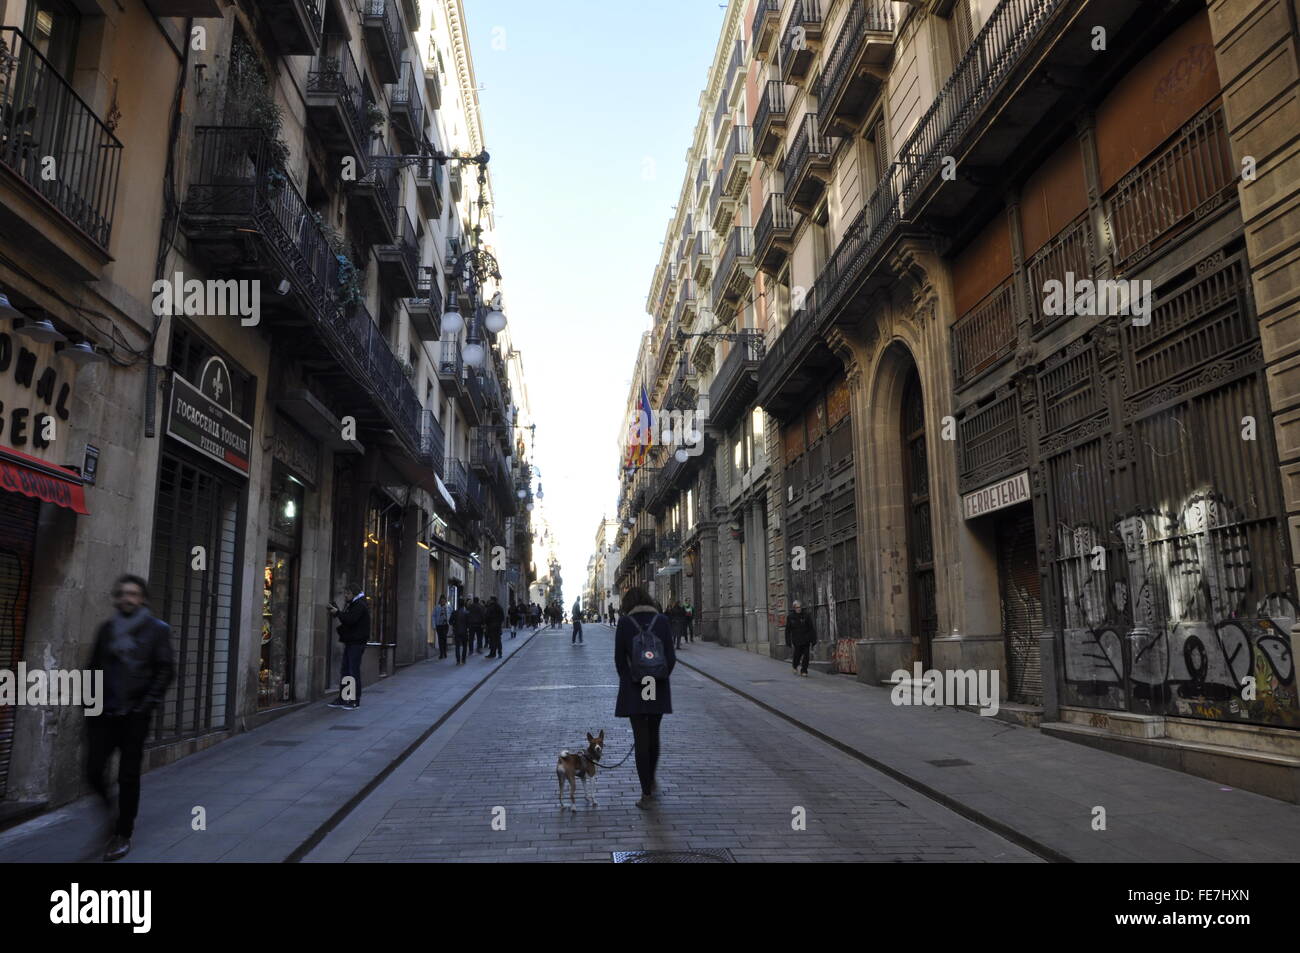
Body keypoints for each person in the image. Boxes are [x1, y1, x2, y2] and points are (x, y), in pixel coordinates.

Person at [86, 574, 175, 862]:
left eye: (134, 594)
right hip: (104, 714)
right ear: (117, 597)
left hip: (134, 716)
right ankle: (112, 817)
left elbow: (165, 670)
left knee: (127, 776)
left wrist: (144, 707)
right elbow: (92, 669)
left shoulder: (156, 630)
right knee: (92, 771)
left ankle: (123, 833)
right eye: (123, 593)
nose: (128, 598)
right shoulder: (107, 630)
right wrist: (89, 709)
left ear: (143, 598)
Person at [614, 587, 675, 809]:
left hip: (635, 687)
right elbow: (670, 657)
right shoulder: (662, 621)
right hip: (657, 686)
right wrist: (659, 675)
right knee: (654, 734)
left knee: (641, 738)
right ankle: (651, 777)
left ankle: (646, 793)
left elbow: (619, 660)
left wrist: (630, 680)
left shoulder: (624, 623)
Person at [328, 585, 370, 707]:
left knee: (352, 671)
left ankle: (354, 700)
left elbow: (351, 620)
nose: (345, 596)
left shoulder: (359, 605)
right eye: (345, 594)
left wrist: (337, 613)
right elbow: (347, 619)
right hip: (352, 642)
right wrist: (338, 613)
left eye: (347, 594)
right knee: (346, 670)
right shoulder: (354, 604)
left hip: (356, 643)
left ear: (354, 593)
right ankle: (344, 698)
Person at [786, 599, 816, 677]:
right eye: (797, 607)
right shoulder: (790, 617)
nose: (798, 609)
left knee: (806, 655)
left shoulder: (806, 616)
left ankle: (804, 670)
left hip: (806, 639)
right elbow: (788, 630)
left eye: (799, 607)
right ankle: (795, 666)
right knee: (797, 655)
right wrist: (788, 641)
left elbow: (811, 628)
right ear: (794, 608)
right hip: (797, 640)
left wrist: (813, 640)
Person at [451, 600, 471, 664]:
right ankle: (463, 659)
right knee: (464, 646)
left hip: (457, 631)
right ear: (464, 605)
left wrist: (454, 625)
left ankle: (458, 660)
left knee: (457, 646)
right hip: (464, 631)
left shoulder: (454, 612)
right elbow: (469, 623)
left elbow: (450, 621)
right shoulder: (467, 613)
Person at [432, 595, 450, 660]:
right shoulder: (436, 607)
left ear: (445, 601)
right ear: (440, 601)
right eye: (441, 600)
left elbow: (451, 614)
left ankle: (445, 652)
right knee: (440, 639)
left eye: (444, 600)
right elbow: (433, 616)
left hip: (445, 625)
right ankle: (441, 653)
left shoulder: (448, 607)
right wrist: (434, 625)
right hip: (439, 625)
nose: (443, 601)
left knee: (444, 638)